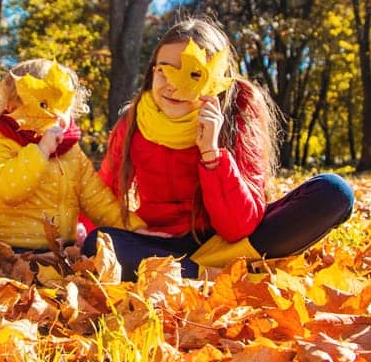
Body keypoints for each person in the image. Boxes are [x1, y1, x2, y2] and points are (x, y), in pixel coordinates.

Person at [87, 18, 354, 281]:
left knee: (333, 192)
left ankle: (193, 272)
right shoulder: (134, 121)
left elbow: (238, 226)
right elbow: (101, 195)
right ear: (152, 71)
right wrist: (82, 234)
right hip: (161, 245)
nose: (173, 84)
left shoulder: (238, 107)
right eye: (164, 70)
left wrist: (211, 155)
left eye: (193, 74)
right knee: (96, 244)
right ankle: (212, 273)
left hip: (234, 242)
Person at [0, 59, 143, 253]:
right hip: (12, 248)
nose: (58, 115)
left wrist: (135, 228)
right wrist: (40, 151)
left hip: (61, 249)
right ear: (12, 107)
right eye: (44, 104)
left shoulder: (70, 151)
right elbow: (7, 189)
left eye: (64, 107)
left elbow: (98, 200)